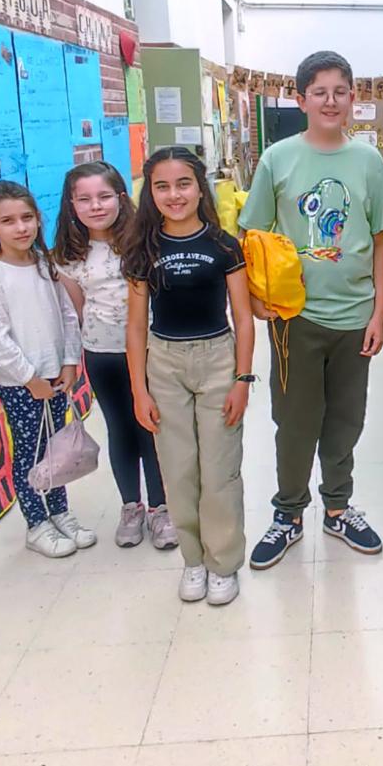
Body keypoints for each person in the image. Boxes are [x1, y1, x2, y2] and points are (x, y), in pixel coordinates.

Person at [240, 50, 383, 569]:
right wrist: (260, 299)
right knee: (297, 420)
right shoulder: (277, 158)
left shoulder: (368, 161)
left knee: (346, 420)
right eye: (319, 91)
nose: (331, 100)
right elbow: (253, 234)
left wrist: (379, 313)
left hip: (356, 316)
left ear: (353, 98)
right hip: (293, 317)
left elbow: (381, 240)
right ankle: (288, 513)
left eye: (340, 91)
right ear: (300, 100)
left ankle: (339, 507)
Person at [123, 146, 255, 606]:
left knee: (218, 469)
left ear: (201, 187)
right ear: (150, 193)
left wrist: (242, 379)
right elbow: (136, 325)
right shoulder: (143, 248)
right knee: (178, 469)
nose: (174, 194)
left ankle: (223, 564)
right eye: (162, 186)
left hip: (217, 358)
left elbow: (243, 315)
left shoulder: (224, 246)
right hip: (164, 363)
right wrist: (139, 389)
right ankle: (193, 561)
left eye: (184, 184)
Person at [54, 161, 174, 550]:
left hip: (150, 350)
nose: (96, 206)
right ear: (71, 205)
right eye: (84, 199)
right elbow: (78, 311)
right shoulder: (67, 257)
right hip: (102, 355)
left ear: (122, 198)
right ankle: (131, 506)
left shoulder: (145, 242)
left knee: (151, 426)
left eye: (104, 196)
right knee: (120, 429)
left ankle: (161, 507)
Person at [0, 181, 93, 558]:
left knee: (56, 451)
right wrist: (30, 379)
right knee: (30, 452)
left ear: (39, 221)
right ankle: (36, 523)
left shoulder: (45, 266)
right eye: (8, 221)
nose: (21, 228)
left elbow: (68, 317)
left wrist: (70, 361)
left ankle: (59, 512)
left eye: (27, 218)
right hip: (23, 384)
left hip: (56, 378)